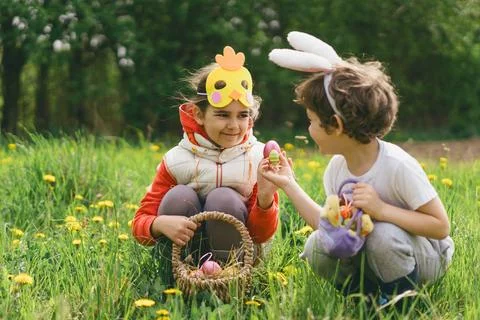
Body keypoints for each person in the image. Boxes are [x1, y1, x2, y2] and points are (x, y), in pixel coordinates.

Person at [263, 32, 454, 301]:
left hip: (425, 258)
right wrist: (289, 184)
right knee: (317, 244)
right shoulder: (337, 169)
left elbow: (440, 227)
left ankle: (401, 302)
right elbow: (329, 226)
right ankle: (363, 298)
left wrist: (382, 210)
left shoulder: (397, 166)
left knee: (383, 234)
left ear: (337, 126)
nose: (309, 129)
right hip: (373, 253)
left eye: (313, 121)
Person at [132, 46, 279, 284]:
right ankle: (178, 275)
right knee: (178, 196)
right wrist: (159, 224)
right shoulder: (176, 160)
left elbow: (262, 234)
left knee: (223, 198)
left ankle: (231, 278)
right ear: (198, 114)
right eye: (222, 115)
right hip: (187, 251)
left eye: (242, 115)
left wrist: (265, 198)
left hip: (238, 253)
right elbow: (140, 224)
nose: (234, 125)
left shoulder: (257, 159)